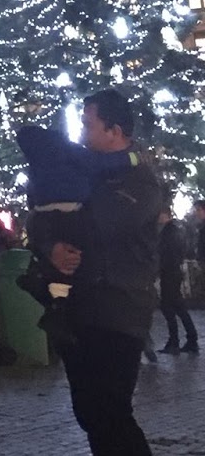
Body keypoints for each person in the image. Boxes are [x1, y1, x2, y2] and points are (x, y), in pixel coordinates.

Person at [47, 90, 175, 456]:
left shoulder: (138, 180)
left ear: (114, 130)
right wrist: (51, 245)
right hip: (85, 309)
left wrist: (60, 223)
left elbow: (95, 226)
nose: (82, 132)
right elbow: (53, 221)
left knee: (112, 414)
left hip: (118, 311)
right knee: (94, 415)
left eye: (88, 123)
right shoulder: (95, 175)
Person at [14, 122, 139, 340]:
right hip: (73, 212)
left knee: (61, 265)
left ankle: (54, 301)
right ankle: (63, 306)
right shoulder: (67, 150)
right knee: (80, 258)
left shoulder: (36, 162)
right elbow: (97, 163)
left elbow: (32, 197)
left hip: (45, 214)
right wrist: (132, 158)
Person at [158, 207, 198, 354]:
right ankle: (191, 339)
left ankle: (174, 341)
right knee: (179, 307)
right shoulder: (177, 230)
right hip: (173, 272)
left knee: (168, 306)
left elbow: (165, 253)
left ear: (165, 215)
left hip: (169, 272)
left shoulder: (169, 231)